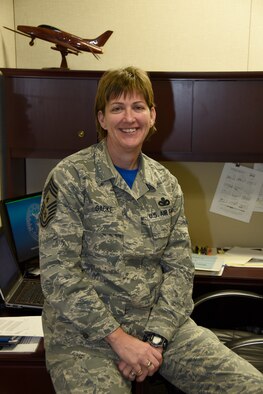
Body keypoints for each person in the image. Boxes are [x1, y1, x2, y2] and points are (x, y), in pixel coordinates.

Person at [39, 66, 263, 394]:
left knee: (251, 387)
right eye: (117, 108)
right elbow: (60, 276)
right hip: (86, 340)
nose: (129, 118)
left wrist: (154, 341)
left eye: (138, 107)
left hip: (161, 332)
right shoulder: (70, 178)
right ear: (102, 119)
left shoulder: (166, 185)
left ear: (152, 114)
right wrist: (120, 341)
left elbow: (180, 271)